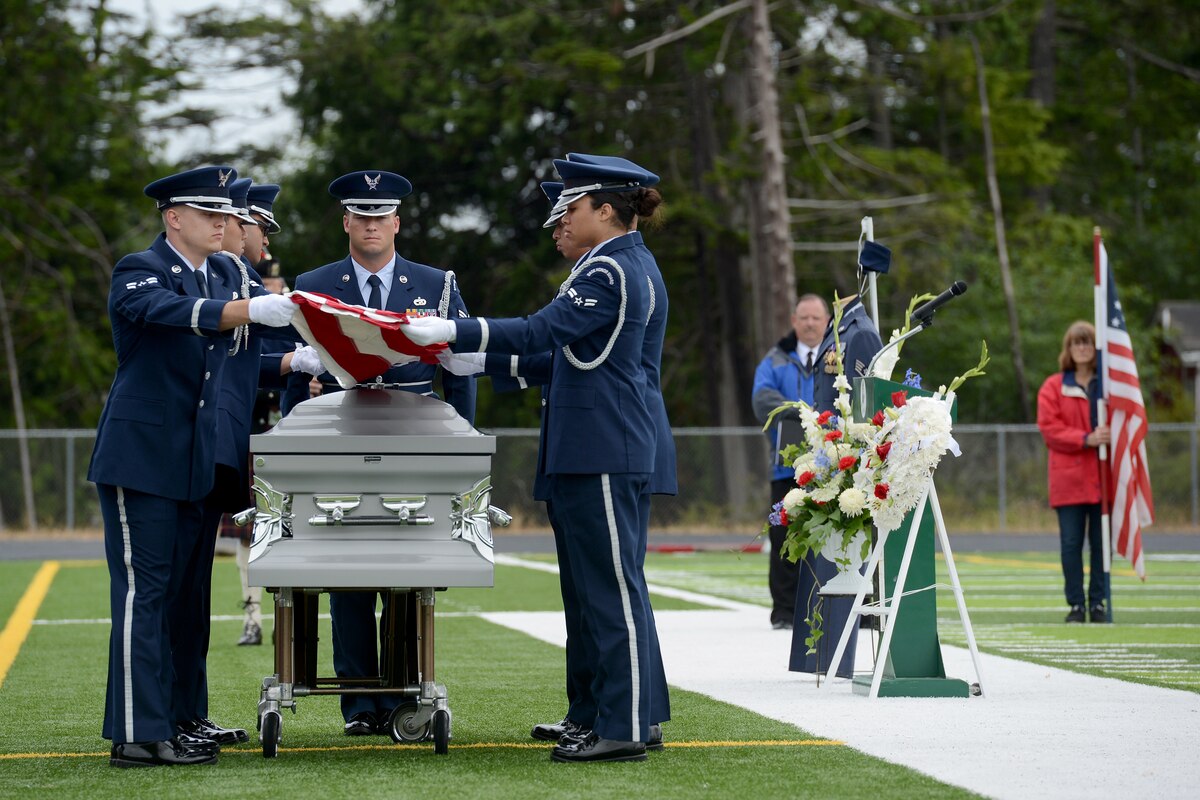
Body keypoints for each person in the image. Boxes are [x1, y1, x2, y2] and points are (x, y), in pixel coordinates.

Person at [402, 155, 660, 763]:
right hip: (591, 442)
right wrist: (474, 356)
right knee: (592, 591)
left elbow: (544, 331)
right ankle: (606, 715)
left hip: (603, 444)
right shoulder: (614, 264)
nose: (562, 220)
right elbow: (561, 355)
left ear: (605, 209)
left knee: (609, 591)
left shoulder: (611, 270)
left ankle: (624, 725)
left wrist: (454, 332)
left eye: (572, 207)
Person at [87, 165, 298, 767]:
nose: (222, 222)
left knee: (184, 598)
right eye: (209, 213)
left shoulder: (227, 273)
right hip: (143, 457)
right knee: (145, 595)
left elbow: (251, 344)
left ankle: (179, 720)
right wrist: (248, 310)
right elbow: (171, 310)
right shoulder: (140, 268)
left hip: (196, 460)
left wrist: (307, 349)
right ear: (173, 217)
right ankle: (137, 734)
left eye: (225, 213)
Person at [288, 169, 476, 737]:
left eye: (381, 216)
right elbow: (296, 372)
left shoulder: (436, 285)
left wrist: (463, 444)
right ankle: (359, 704)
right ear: (346, 223)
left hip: (415, 439)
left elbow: (460, 369)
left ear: (397, 223)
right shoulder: (314, 284)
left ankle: (403, 695)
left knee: (409, 569)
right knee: (346, 571)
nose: (371, 225)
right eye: (361, 216)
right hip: (340, 437)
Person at [171, 177, 321, 749]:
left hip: (220, 449)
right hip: (197, 447)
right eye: (257, 227)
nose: (261, 242)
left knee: (194, 595)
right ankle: (172, 719)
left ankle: (190, 714)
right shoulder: (225, 283)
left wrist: (289, 364)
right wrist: (288, 361)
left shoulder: (235, 280)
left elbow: (244, 361)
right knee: (180, 593)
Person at [789, 293, 882, 679]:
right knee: (821, 559)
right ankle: (817, 657)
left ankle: (834, 656)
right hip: (827, 456)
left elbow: (866, 402)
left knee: (840, 560)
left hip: (845, 460)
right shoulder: (840, 328)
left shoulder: (860, 333)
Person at [752, 294, 830, 630]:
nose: (810, 323)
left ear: (827, 321)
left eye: (816, 318)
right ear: (794, 321)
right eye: (804, 318)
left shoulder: (837, 357)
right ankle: (784, 611)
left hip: (831, 467)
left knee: (830, 536)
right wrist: (803, 413)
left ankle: (831, 608)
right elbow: (761, 399)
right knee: (784, 537)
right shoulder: (775, 360)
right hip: (786, 466)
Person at [1036, 321, 1110, 623]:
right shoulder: (1053, 386)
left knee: (1102, 545)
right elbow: (1050, 429)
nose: (1082, 348)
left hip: (1103, 478)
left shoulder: (1108, 386)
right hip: (1068, 480)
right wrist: (1085, 439)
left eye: (1087, 342)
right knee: (1071, 545)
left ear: (1096, 348)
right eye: (1076, 343)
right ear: (1068, 349)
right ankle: (1077, 605)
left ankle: (1099, 603)